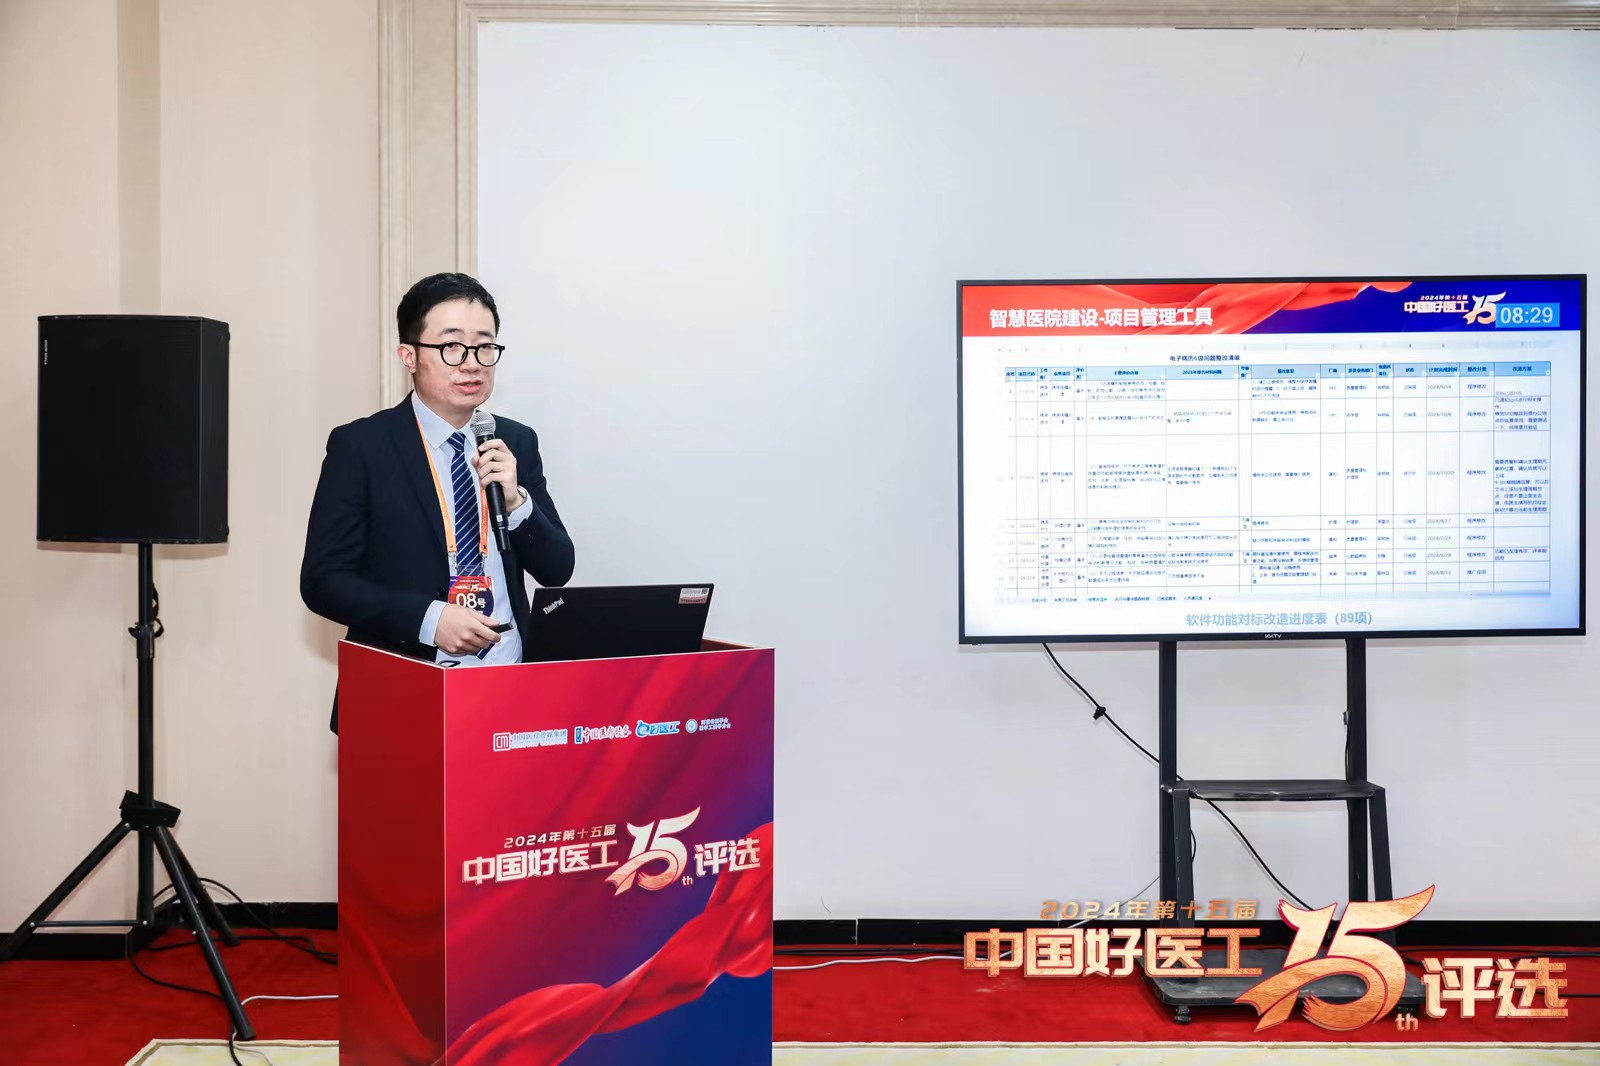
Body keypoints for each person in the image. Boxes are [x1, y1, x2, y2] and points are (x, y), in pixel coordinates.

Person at [301, 272, 574, 731]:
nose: (472, 364)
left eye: (484, 347)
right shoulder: (362, 446)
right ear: (409, 356)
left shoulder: (515, 441)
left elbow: (558, 568)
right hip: (403, 693)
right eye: (452, 347)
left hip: (509, 686)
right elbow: (323, 581)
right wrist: (429, 619)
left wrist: (517, 502)